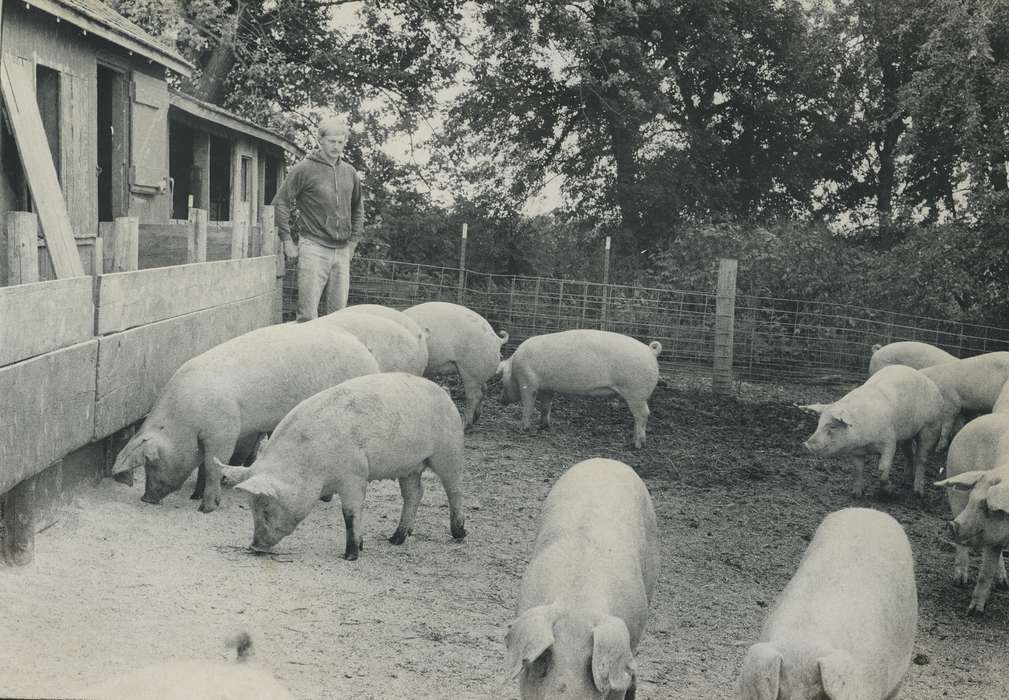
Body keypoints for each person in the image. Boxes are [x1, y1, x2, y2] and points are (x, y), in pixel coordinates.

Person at [272, 115, 364, 321]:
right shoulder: (304, 169)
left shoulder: (350, 172)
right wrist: (287, 240)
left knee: (339, 315)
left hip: (342, 251)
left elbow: (358, 208)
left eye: (341, 142)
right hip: (314, 248)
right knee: (308, 315)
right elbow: (281, 202)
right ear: (320, 140)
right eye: (332, 141)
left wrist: (353, 243)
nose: (336, 146)